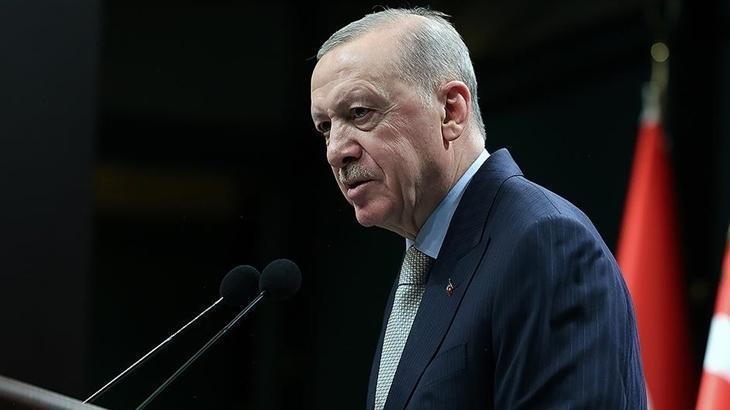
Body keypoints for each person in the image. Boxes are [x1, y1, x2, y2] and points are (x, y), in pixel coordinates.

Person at [310, 7, 646, 409]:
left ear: (451, 111)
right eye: (325, 127)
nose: (335, 151)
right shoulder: (425, 260)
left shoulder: (546, 244)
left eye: (359, 113)